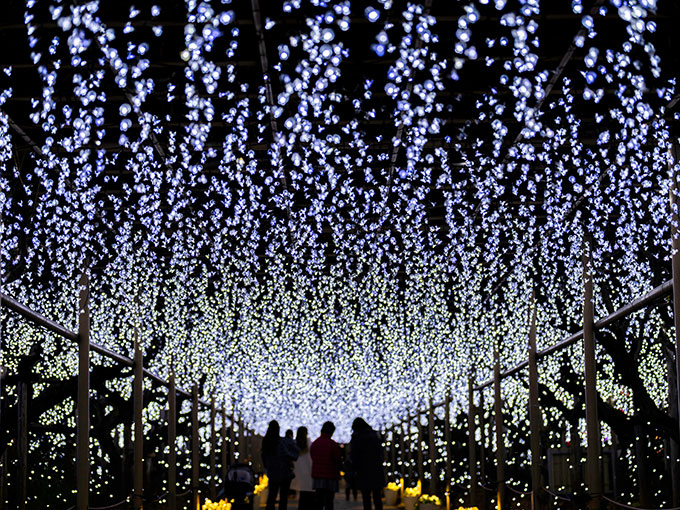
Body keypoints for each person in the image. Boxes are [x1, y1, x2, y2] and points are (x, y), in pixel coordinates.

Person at [261, 420, 300, 510]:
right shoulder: (282, 442)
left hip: (272, 473)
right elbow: (294, 454)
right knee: (283, 498)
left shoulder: (266, 442)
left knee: (271, 496)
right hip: (284, 473)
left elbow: (263, 457)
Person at [350, 418, 386, 510]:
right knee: (377, 497)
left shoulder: (357, 436)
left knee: (366, 498)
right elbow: (381, 453)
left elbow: (354, 455)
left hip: (363, 471)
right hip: (376, 470)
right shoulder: (375, 435)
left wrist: (354, 469)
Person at [310, 421, 342, 510]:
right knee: (329, 502)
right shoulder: (332, 444)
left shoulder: (315, 443)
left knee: (318, 501)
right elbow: (337, 459)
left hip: (318, 476)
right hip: (330, 476)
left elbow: (312, 457)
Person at [291, 426, 315, 510]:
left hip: (299, 475)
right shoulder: (309, 443)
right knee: (310, 499)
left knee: (302, 498)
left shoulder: (295, 444)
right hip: (310, 472)